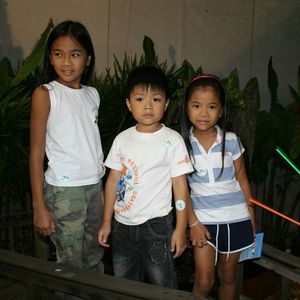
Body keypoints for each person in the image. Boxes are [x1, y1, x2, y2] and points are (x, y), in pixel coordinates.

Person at [98, 66, 194, 288]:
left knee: (163, 287)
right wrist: (105, 222)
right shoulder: (122, 139)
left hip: (156, 227)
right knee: (125, 287)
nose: (148, 106)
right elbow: (112, 181)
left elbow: (180, 187)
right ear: (129, 104)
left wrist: (181, 228)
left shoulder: (172, 140)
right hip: (121, 227)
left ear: (167, 104)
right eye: (140, 99)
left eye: (156, 99)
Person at [29, 20, 105, 273]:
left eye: (75, 54)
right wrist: (39, 207)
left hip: (95, 188)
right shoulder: (45, 93)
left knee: (94, 258)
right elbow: (36, 154)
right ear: (50, 58)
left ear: (88, 58)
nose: (66, 62)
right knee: (71, 266)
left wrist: (102, 192)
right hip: (64, 191)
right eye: (58, 54)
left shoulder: (93, 94)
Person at [180, 74, 256, 299]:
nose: (204, 113)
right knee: (204, 281)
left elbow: (242, 179)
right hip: (203, 221)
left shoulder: (231, 140)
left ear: (221, 111)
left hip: (236, 217)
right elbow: (181, 189)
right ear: (187, 108)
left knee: (229, 274)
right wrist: (191, 223)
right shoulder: (180, 144)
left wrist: (251, 213)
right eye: (196, 106)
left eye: (212, 106)